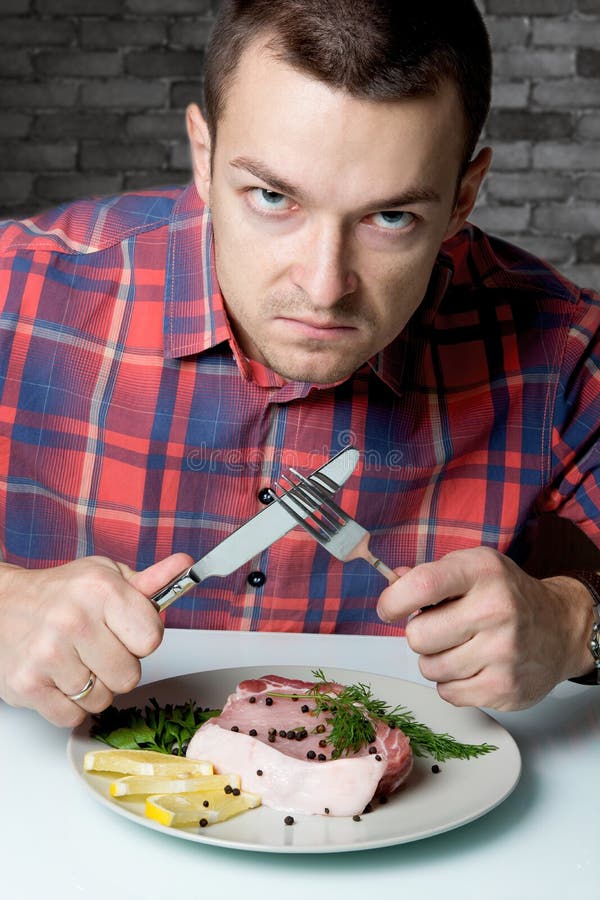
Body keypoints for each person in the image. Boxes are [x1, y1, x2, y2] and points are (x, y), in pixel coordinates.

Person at [0, 0, 598, 728]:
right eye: (273, 197)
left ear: (463, 197)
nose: (323, 287)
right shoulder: (16, 292)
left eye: (390, 218)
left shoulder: (563, 349)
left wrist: (571, 626)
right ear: (202, 152)